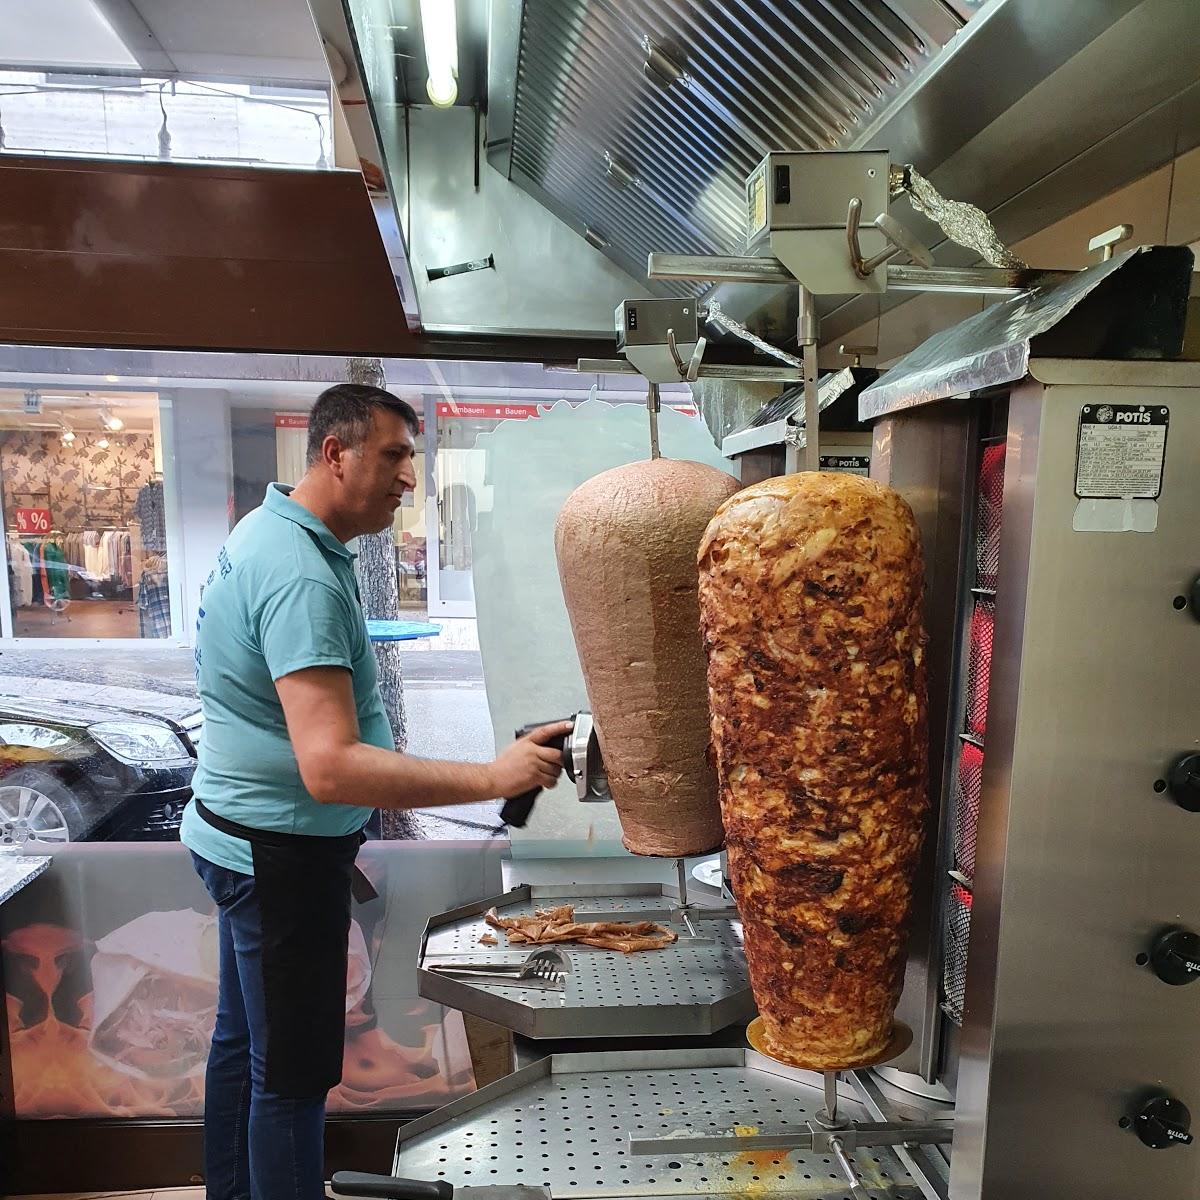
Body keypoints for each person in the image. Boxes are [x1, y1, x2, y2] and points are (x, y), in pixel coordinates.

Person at [179, 383, 569, 1200]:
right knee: (288, 1079)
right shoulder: (301, 575)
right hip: (279, 855)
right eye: (392, 456)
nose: (406, 479)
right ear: (335, 453)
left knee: (244, 1046)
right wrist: (492, 777)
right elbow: (331, 766)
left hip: (235, 834)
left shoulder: (270, 532)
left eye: (410, 460)